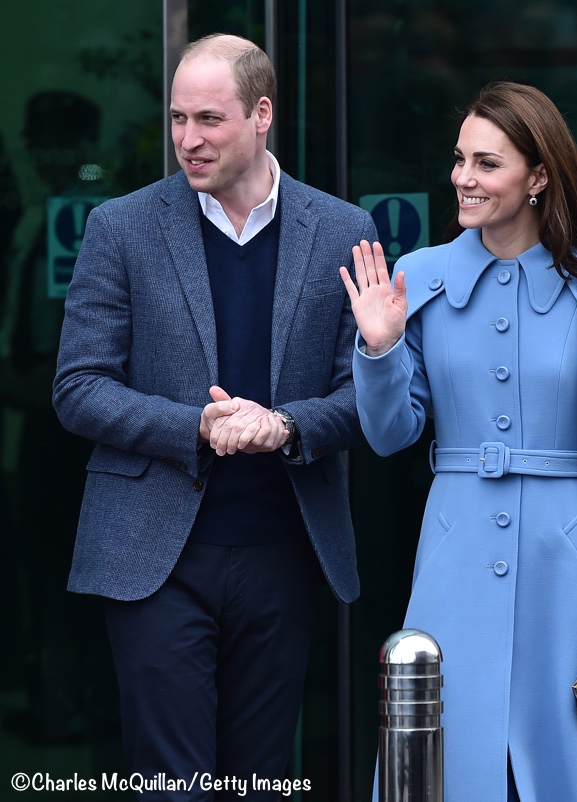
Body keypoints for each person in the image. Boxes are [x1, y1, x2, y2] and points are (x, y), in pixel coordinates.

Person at [53, 33, 376, 800]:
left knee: (261, 783)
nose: (187, 140)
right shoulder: (121, 227)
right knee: (175, 787)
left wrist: (286, 425)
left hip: (284, 550)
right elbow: (78, 386)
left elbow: (366, 397)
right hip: (153, 557)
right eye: (176, 119)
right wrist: (193, 426)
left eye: (208, 119)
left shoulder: (341, 231)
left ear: (261, 114)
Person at [340, 81, 577, 802]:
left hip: (569, 561)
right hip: (453, 549)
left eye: (486, 164)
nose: (462, 178)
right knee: (447, 756)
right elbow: (391, 434)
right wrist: (378, 350)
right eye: (459, 159)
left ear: (539, 176)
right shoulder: (417, 278)